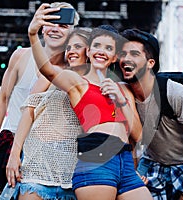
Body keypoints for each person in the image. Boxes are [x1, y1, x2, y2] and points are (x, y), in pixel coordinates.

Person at [28, 6, 153, 199]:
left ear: (114, 57)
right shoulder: (77, 81)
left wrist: (121, 101)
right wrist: (33, 34)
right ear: (89, 50)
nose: (101, 52)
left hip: (125, 162)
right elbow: (47, 69)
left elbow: (138, 135)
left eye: (108, 48)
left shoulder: (123, 89)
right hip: (97, 159)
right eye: (97, 46)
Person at [0, 2, 78, 199]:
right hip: (10, 143)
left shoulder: (73, 67)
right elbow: (3, 97)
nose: (56, 29)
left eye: (64, 25)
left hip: (45, 153)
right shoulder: (21, 55)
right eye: (50, 22)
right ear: (42, 25)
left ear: (73, 31)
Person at [118, 28, 183, 200]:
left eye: (134, 54)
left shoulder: (174, 92)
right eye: (123, 54)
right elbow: (131, 140)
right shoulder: (124, 94)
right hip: (154, 161)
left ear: (150, 63)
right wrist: (136, 173)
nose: (126, 59)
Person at [6, 26, 90, 200]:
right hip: (37, 167)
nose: (71, 51)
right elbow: (29, 110)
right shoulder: (51, 74)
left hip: (73, 174)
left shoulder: (96, 83)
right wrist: (14, 154)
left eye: (77, 47)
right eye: (69, 47)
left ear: (89, 51)